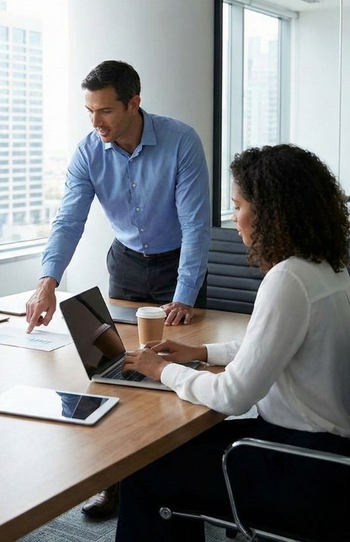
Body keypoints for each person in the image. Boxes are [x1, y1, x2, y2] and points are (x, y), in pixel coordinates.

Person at [116, 144, 350, 541]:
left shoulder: (288, 279)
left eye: (238, 205)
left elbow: (233, 396)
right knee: (169, 450)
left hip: (301, 468)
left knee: (143, 470)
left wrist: (163, 370)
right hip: (330, 458)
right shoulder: (330, 268)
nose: (234, 217)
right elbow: (274, 346)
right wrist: (200, 353)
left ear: (271, 213)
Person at [25, 60, 211, 517]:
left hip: (177, 269)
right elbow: (69, 220)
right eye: (89, 111)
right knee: (117, 371)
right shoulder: (89, 150)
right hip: (126, 266)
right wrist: (47, 283)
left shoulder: (180, 140)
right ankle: (119, 484)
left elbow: (195, 225)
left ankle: (185, 482)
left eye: (105, 111)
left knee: (174, 372)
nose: (96, 122)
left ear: (134, 103)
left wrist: (186, 292)